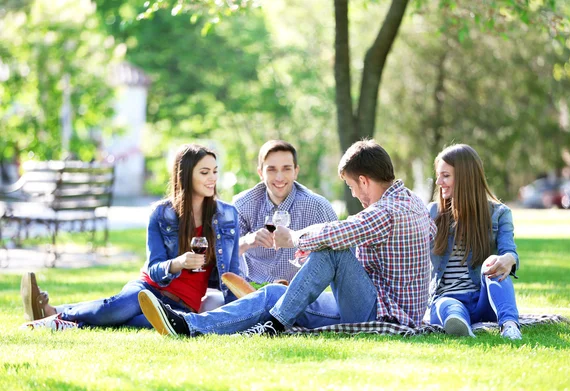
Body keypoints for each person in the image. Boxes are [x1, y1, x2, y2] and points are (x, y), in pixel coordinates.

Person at [137, 139, 436, 337]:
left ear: (364, 181)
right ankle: (189, 325)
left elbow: (338, 234)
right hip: (379, 301)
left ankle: (275, 323)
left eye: (352, 188)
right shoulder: (412, 202)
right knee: (272, 294)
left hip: (383, 312)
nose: (355, 195)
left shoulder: (385, 211)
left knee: (331, 248)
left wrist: (292, 238)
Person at [20, 144, 241, 330]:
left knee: (131, 322)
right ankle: (50, 319)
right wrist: (178, 263)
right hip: (149, 289)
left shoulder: (228, 216)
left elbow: (231, 273)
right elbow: (154, 268)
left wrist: (240, 314)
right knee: (114, 310)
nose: (212, 178)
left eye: (215, 171)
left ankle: (55, 316)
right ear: (185, 175)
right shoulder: (161, 214)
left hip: (181, 307)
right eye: (204, 172)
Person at [427, 144, 522, 340]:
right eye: (439, 175)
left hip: (483, 300)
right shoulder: (432, 214)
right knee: (447, 306)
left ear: (464, 177)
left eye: (445, 176)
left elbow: (509, 251)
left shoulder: (499, 213)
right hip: (447, 298)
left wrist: (508, 259)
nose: (438, 182)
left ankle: (510, 326)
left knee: (493, 262)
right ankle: (458, 324)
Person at [233, 139, 338, 284]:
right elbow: (223, 257)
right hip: (252, 291)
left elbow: (340, 257)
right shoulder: (242, 205)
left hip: (300, 293)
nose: (279, 177)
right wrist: (247, 241)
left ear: (296, 172)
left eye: (286, 169)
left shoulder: (318, 206)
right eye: (271, 169)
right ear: (260, 173)